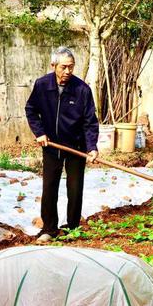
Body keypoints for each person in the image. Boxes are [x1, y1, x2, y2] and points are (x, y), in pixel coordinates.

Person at [25, 46, 99, 241]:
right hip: (51, 146)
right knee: (49, 187)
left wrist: (91, 147)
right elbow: (31, 109)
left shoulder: (82, 89)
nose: (68, 72)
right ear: (53, 66)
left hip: (76, 146)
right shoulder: (42, 85)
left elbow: (90, 121)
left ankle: (72, 227)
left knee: (75, 188)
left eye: (71, 67)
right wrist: (39, 133)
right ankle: (49, 228)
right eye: (64, 67)